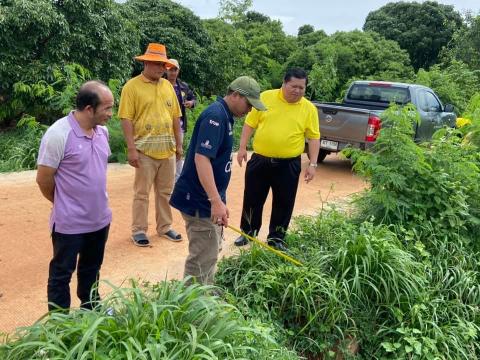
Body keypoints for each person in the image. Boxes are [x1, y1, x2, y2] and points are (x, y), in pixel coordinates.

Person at [170, 76, 266, 284]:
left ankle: (205, 294)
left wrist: (220, 200)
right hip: (199, 200)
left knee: (210, 250)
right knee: (202, 257)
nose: (249, 110)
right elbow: (201, 158)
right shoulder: (215, 116)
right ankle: (194, 307)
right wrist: (215, 200)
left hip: (209, 199)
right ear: (235, 95)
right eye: (248, 104)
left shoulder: (225, 115)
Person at [36, 81, 114, 311]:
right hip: (69, 223)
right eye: (107, 108)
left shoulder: (103, 132)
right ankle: (60, 323)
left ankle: (91, 307)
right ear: (89, 109)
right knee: (61, 273)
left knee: (92, 268)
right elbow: (43, 179)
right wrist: (63, 202)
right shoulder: (58, 134)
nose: (111, 114)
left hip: (99, 219)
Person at [234, 68, 320, 251]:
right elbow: (250, 124)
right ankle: (248, 233)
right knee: (252, 198)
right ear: (284, 83)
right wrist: (242, 148)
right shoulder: (266, 97)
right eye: (293, 86)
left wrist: (313, 164)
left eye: (301, 87)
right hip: (260, 160)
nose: (297, 91)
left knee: (284, 202)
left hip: (289, 164)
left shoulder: (308, 108)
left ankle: (276, 238)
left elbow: (313, 137)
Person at [118, 43, 183, 247]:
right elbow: (126, 119)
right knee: (142, 192)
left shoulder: (167, 87)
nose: (160, 69)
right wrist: (131, 149)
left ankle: (165, 227)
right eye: (156, 64)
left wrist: (179, 145)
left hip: (167, 150)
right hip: (144, 150)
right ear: (146, 62)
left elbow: (175, 117)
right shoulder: (131, 86)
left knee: (166, 192)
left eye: (163, 65)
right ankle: (139, 230)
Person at [164, 58, 196, 182]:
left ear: (178, 71)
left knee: (179, 150)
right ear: (166, 71)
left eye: (175, 70)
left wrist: (191, 103)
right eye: (170, 70)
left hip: (180, 124)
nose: (172, 72)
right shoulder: (159, 84)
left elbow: (193, 98)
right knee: (165, 152)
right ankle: (165, 178)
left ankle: (178, 180)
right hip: (163, 124)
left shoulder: (183, 86)